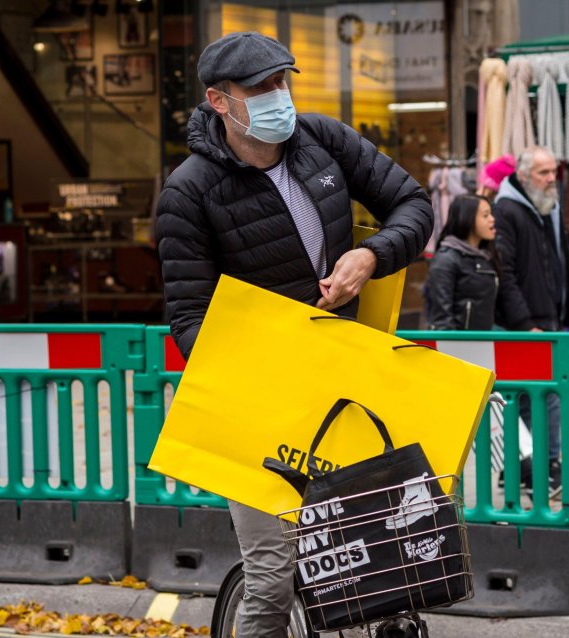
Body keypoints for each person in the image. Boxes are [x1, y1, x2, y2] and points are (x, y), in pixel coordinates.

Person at [155, 32, 433, 638]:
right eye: (261, 88)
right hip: (254, 403)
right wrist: (276, 348)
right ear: (219, 102)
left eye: (284, 82)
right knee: (274, 576)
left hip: (342, 384)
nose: (279, 96)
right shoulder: (188, 192)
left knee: (389, 564)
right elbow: (188, 323)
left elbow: (413, 204)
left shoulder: (323, 140)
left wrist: (372, 257)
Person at [493, 145, 569, 498]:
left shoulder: (550, 207)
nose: (551, 179)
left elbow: (567, 264)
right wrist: (525, 323)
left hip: (551, 319)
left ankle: (525, 470)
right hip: (527, 325)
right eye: (543, 173)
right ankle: (544, 467)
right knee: (545, 398)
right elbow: (505, 273)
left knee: (542, 397)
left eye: (553, 171)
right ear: (524, 176)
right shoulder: (507, 210)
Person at [424, 194, 499, 330]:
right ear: (468, 219)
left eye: (491, 214)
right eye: (485, 215)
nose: (492, 219)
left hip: (482, 344)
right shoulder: (446, 259)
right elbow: (441, 318)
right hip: (457, 346)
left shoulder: (487, 256)